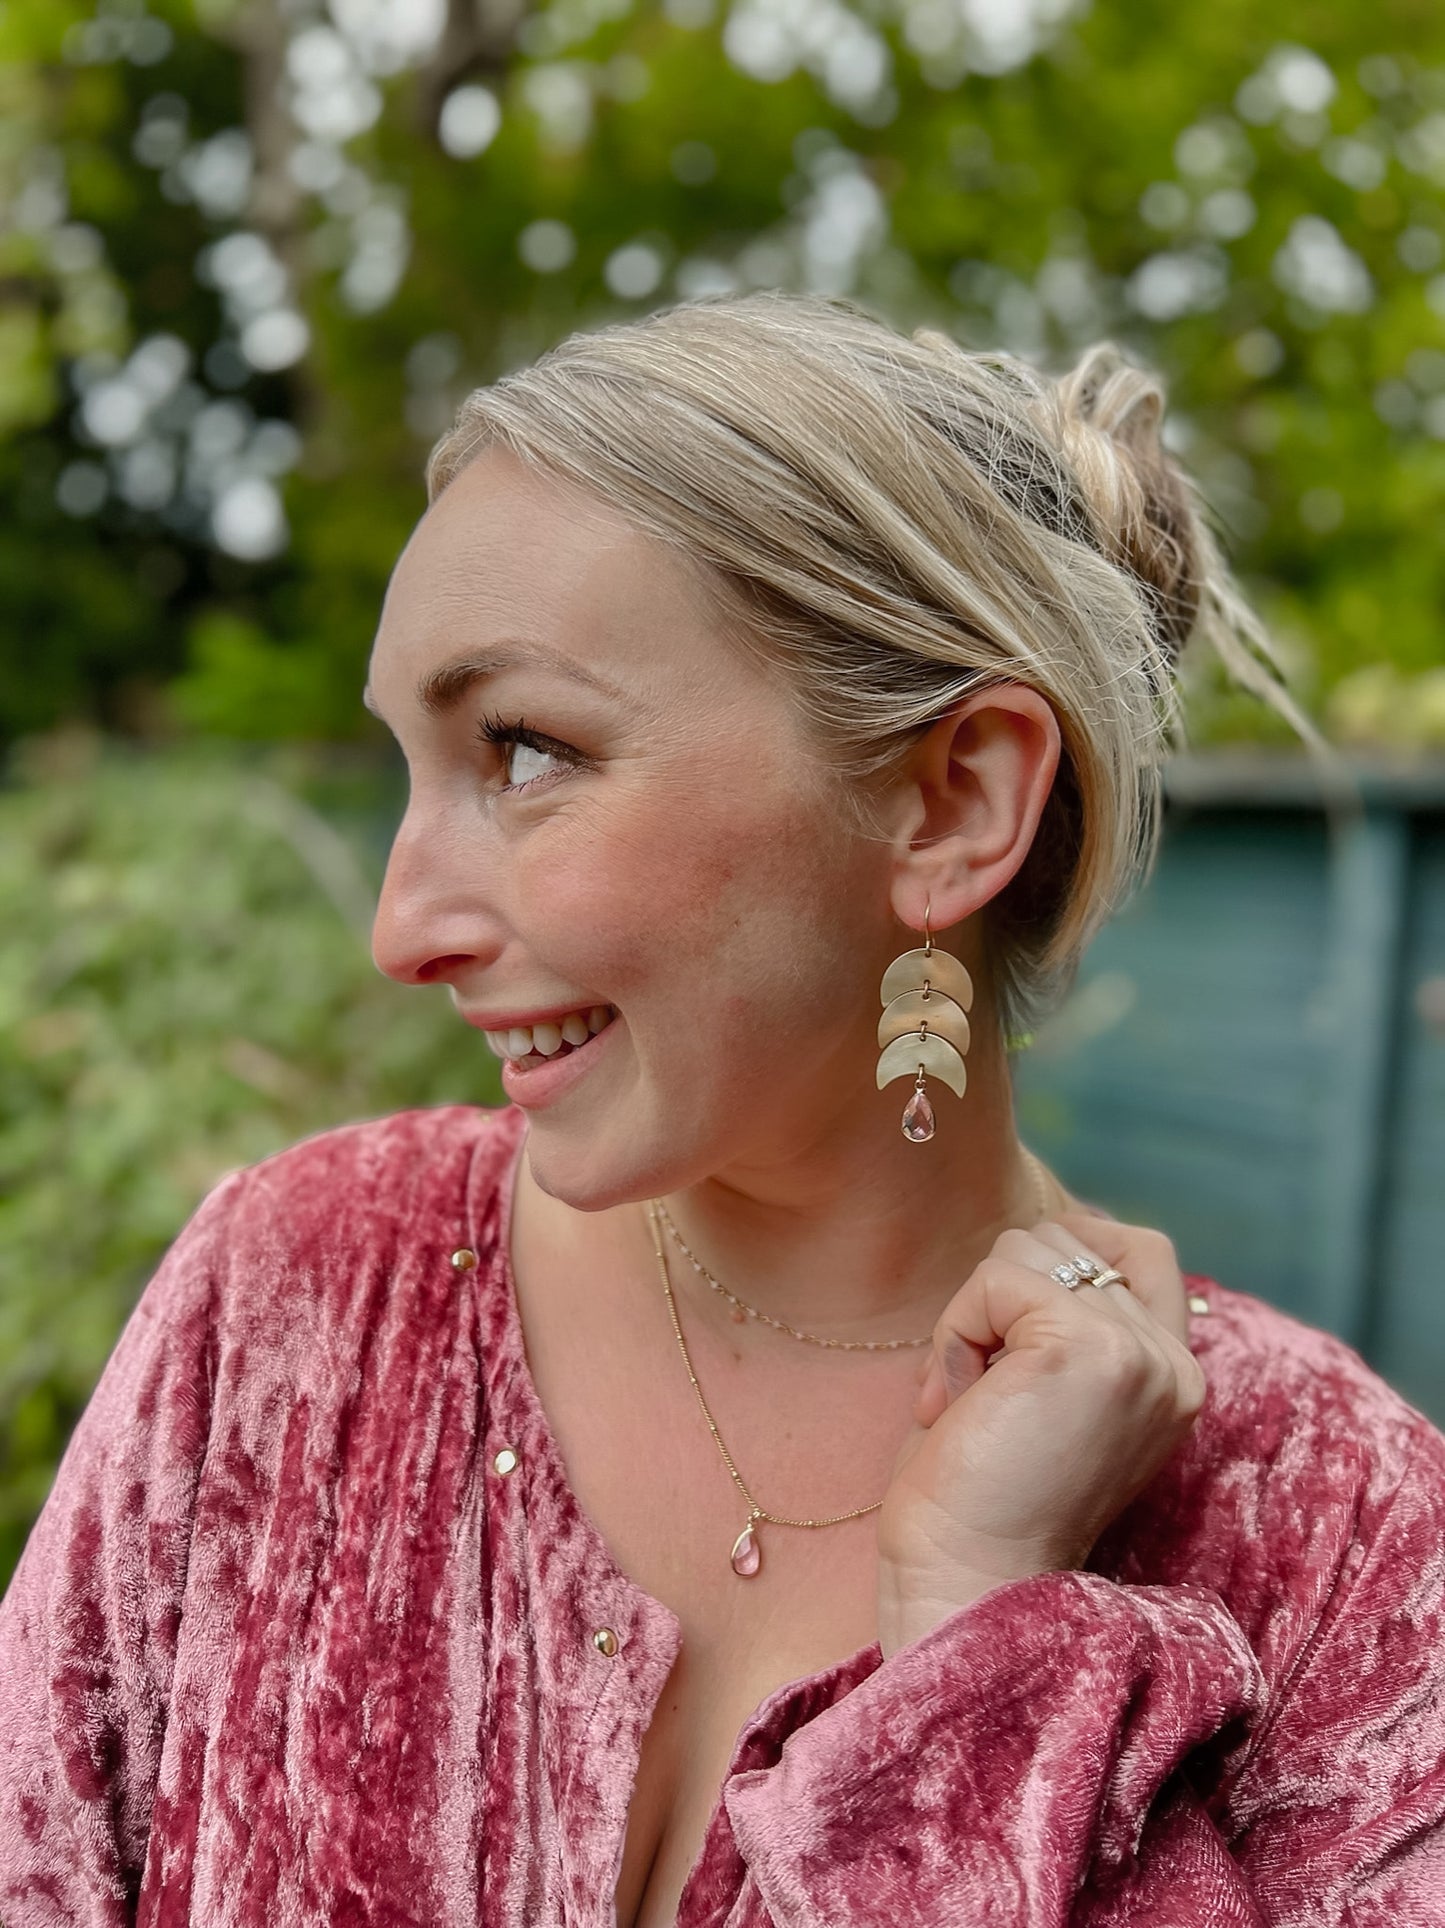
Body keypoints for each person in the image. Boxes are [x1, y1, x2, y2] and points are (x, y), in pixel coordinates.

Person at [2, 291, 1442, 1928]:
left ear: (951, 799)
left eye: (525, 749)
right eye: (411, 762)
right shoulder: (292, 1303)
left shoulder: (1340, 1541)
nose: (402, 930)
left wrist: (985, 1655)